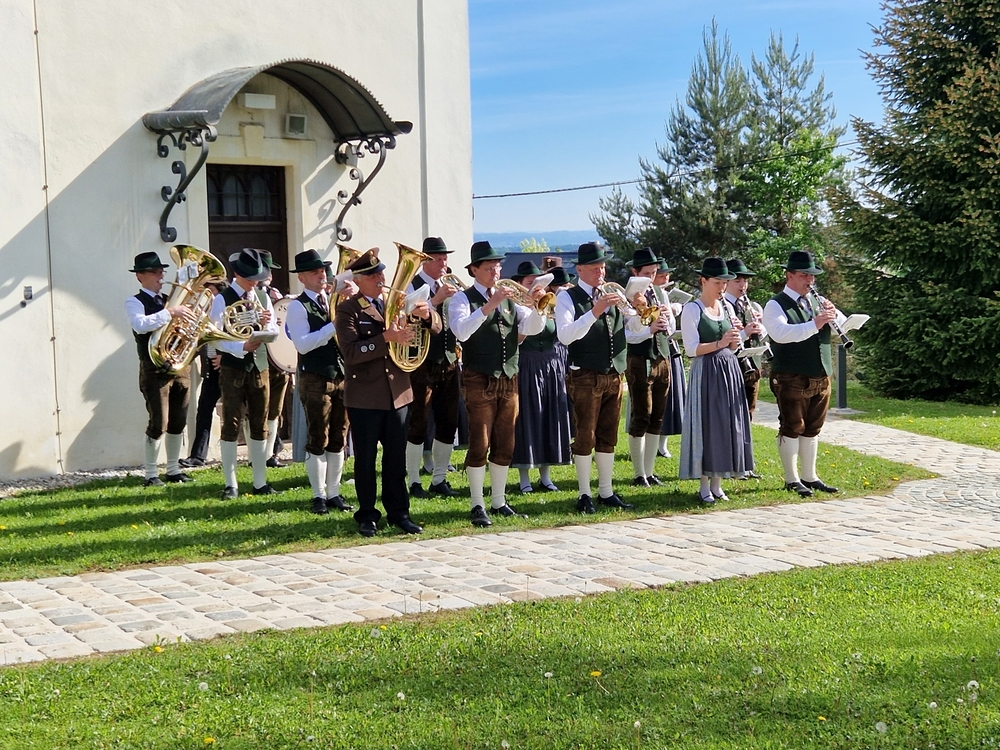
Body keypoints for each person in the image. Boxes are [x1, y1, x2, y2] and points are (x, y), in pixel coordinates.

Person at [335, 248, 438, 537]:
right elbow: (350, 352)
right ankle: (367, 515)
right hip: (365, 397)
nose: (381, 279)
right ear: (359, 280)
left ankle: (399, 513)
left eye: (381, 274)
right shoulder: (348, 309)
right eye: (373, 276)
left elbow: (437, 327)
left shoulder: (399, 303)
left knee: (395, 459)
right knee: (366, 460)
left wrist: (426, 315)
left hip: (398, 393)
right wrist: (386, 338)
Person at [448, 241, 546, 527]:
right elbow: (462, 332)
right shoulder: (462, 299)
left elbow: (532, 329)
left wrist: (537, 307)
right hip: (479, 377)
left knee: (506, 442)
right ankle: (477, 503)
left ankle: (499, 501)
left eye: (498, 267)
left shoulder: (510, 299)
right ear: (474, 270)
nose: (496, 272)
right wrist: (490, 305)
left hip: (509, 377)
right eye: (489, 268)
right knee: (480, 442)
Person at [554, 242, 647, 514]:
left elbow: (634, 329)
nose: (601, 272)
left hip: (614, 374)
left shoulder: (612, 293)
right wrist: (594, 311)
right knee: (585, 435)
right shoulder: (567, 297)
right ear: (580, 270)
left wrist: (640, 310)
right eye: (595, 268)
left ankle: (606, 490)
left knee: (608, 435)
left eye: (603, 267)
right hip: (584, 374)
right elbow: (566, 336)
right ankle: (584, 493)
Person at [761, 250, 845, 497]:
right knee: (792, 425)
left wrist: (834, 315)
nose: (810, 280)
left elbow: (842, 325)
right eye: (804, 275)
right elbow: (780, 334)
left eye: (812, 276)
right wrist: (815, 324)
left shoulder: (818, 300)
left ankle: (810, 476)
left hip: (820, 373)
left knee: (813, 427)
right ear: (790, 275)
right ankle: (792, 478)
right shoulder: (775, 304)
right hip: (791, 374)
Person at [678, 257, 755, 503]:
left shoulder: (727, 308)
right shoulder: (692, 309)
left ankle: (717, 483)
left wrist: (736, 338)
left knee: (726, 424)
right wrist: (721, 342)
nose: (722, 287)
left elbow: (732, 347)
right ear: (703, 281)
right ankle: (703, 485)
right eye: (717, 282)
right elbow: (691, 349)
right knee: (707, 425)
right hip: (706, 371)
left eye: (724, 283)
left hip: (728, 369)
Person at [285, 249, 354, 515]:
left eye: (323, 271)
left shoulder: (333, 299)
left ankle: (334, 492)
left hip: (341, 374)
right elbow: (303, 344)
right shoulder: (297, 306)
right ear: (301, 278)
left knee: (339, 436)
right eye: (314, 272)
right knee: (318, 437)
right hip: (315, 377)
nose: (321, 275)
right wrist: (333, 325)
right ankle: (319, 495)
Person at [210, 248, 280, 500]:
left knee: (260, 422)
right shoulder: (223, 299)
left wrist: (266, 324)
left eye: (257, 278)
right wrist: (241, 347)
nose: (254, 283)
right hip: (233, 367)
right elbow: (215, 336)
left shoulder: (262, 296)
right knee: (231, 423)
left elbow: (274, 329)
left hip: (259, 366)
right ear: (238, 274)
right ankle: (231, 484)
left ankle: (260, 481)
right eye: (250, 278)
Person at [124, 251, 195, 487]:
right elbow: (140, 325)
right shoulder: (134, 302)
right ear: (140, 276)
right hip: (153, 368)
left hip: (179, 366)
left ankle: (173, 469)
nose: (160, 276)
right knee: (159, 422)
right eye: (155, 272)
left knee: (178, 420)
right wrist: (170, 313)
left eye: (161, 271)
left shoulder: (169, 299)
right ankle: (150, 473)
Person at [405, 237, 462, 499]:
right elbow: (407, 317)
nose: (444, 264)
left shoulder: (448, 284)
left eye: (445, 259)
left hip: (449, 361)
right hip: (421, 363)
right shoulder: (412, 285)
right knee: (418, 421)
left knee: (449, 421)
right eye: (439, 259)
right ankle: (414, 480)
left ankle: (439, 478)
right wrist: (436, 300)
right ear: (425, 261)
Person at [509, 261, 572, 494]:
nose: (537, 288)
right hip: (526, 366)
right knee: (527, 419)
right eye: (530, 283)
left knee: (549, 418)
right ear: (520, 285)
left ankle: (546, 476)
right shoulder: (515, 308)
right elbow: (518, 337)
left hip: (551, 366)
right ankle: (524, 477)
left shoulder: (550, 304)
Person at [623, 247, 675, 487]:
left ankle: (650, 471)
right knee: (641, 415)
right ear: (635, 272)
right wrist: (648, 330)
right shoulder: (626, 296)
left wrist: (666, 318)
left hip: (662, 357)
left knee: (658, 417)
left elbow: (671, 329)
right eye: (646, 273)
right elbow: (626, 334)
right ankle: (638, 473)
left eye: (654, 273)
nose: (651, 278)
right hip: (639, 359)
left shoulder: (659, 293)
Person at [181, 281, 226, 468]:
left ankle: (272, 448)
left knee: (250, 408)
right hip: (210, 368)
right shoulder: (204, 313)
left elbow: (240, 337)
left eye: (211, 292)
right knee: (204, 410)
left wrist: (225, 356)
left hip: (230, 368)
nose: (208, 296)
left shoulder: (229, 309)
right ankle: (198, 456)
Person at [258, 250, 291, 468]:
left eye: (270, 270)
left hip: (278, 360)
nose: (269, 274)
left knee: (275, 410)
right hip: (258, 358)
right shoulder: (249, 295)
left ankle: (270, 454)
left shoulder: (276, 294)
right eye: (265, 269)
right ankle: (257, 456)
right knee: (257, 410)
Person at [656, 258, 685, 459]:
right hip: (652, 352)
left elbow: (672, 327)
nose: (666, 278)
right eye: (661, 275)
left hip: (670, 349)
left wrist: (674, 311)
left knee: (671, 397)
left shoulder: (665, 295)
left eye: (667, 275)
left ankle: (662, 443)